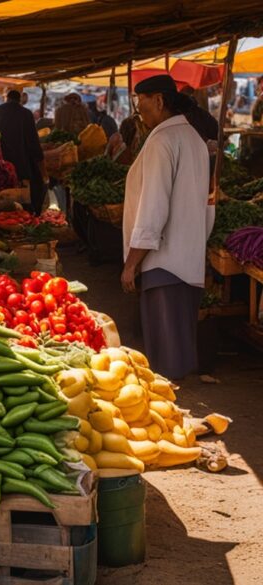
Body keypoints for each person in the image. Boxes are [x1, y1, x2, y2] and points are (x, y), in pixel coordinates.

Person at [121, 75, 213, 380]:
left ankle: (174, 420)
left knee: (165, 370)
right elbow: (208, 204)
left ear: (159, 101)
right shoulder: (194, 139)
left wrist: (132, 263)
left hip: (163, 262)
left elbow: (153, 208)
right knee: (180, 352)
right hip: (187, 258)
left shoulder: (163, 140)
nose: (140, 115)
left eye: (141, 106)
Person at [0, 90, 46, 213]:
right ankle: (25, 215)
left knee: (2, 197)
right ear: (19, 99)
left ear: (7, 98)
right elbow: (33, 141)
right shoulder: (26, 114)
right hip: (21, 164)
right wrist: (39, 160)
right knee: (24, 197)